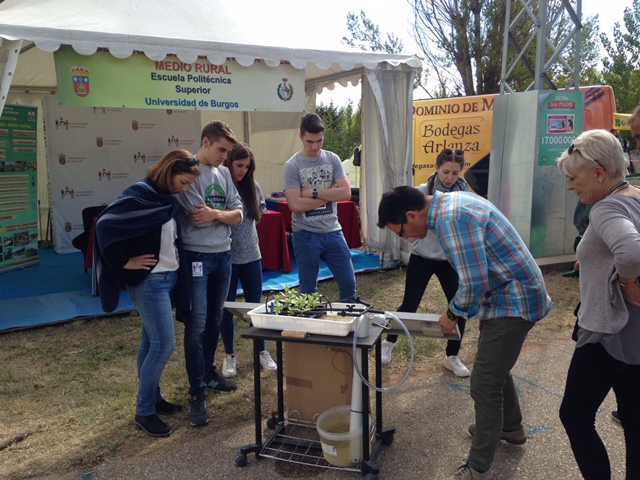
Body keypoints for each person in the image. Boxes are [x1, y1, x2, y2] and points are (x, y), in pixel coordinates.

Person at [377, 186, 552, 479]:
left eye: (403, 233)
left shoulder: (451, 220)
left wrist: (452, 314)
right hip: (504, 295)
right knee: (493, 366)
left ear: (412, 215)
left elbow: (474, 281)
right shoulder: (450, 203)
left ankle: (478, 467)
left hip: (514, 299)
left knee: (484, 383)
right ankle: (510, 427)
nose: (408, 239)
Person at [94, 149, 200, 437]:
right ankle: (144, 411)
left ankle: (153, 398)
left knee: (150, 343)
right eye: (183, 182)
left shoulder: (166, 198)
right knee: (163, 345)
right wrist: (123, 262)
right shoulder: (140, 194)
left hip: (168, 278)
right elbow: (104, 225)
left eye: (189, 184)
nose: (185, 189)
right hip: (150, 281)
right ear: (169, 172)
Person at [557, 128, 640, 480]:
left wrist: (628, 282)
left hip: (608, 332)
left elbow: (631, 251)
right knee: (635, 420)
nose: (569, 186)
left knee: (574, 415)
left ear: (599, 173)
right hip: (635, 334)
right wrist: (592, 262)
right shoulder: (635, 195)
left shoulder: (605, 208)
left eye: (574, 178)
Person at [381, 148, 471, 378]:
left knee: (458, 306)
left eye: (455, 173)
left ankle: (452, 356)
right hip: (422, 257)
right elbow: (398, 219)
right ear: (437, 168)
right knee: (409, 303)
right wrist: (411, 239)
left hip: (448, 260)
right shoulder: (420, 193)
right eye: (445, 172)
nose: (449, 178)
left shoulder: (463, 196)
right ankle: (388, 344)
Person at [178, 120, 243, 427]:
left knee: (215, 319)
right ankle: (197, 391)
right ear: (205, 142)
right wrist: (223, 216)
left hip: (223, 255)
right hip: (197, 256)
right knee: (197, 324)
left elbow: (239, 213)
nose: (224, 157)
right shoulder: (189, 172)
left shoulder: (225, 173)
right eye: (221, 150)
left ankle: (208, 373)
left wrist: (216, 214)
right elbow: (196, 216)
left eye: (228, 152)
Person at [283, 113, 357, 300]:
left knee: (349, 284)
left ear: (324, 136)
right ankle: (311, 318)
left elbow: (346, 193)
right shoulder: (292, 165)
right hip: (305, 233)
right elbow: (295, 205)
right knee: (308, 291)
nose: (315, 147)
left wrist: (313, 193)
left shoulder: (332, 158)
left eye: (319, 141)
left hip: (333, 230)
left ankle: (347, 316)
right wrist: (329, 195)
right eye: (310, 142)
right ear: (301, 136)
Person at [220, 142, 277, 378]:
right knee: (227, 307)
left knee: (256, 306)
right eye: (239, 165)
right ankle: (229, 354)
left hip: (252, 254)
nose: (243, 170)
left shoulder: (253, 186)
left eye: (247, 166)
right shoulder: (222, 184)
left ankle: (261, 350)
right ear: (229, 162)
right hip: (227, 256)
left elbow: (261, 209)